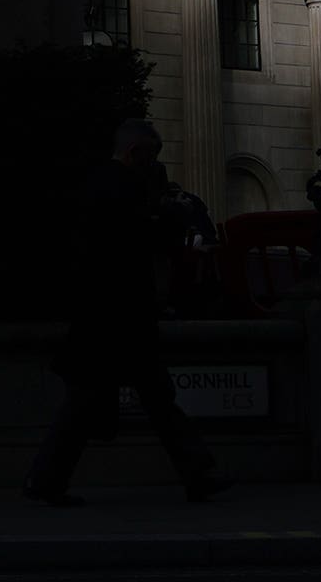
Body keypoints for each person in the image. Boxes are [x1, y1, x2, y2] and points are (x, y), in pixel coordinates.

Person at [25, 120, 224, 507]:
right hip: (120, 317)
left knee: (102, 404)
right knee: (147, 401)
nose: (155, 165)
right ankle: (199, 474)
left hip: (104, 317)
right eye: (152, 157)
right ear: (137, 153)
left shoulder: (96, 184)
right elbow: (140, 245)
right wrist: (170, 220)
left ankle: (198, 474)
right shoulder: (126, 189)